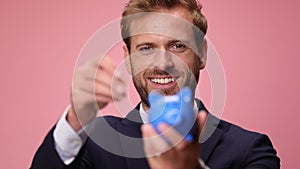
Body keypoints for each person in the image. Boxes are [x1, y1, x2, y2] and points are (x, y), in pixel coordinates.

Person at [30, 0, 280, 168]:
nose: (162, 63)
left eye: (178, 46)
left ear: (202, 54)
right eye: (146, 48)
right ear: (128, 58)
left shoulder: (250, 149)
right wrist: (76, 118)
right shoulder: (93, 142)